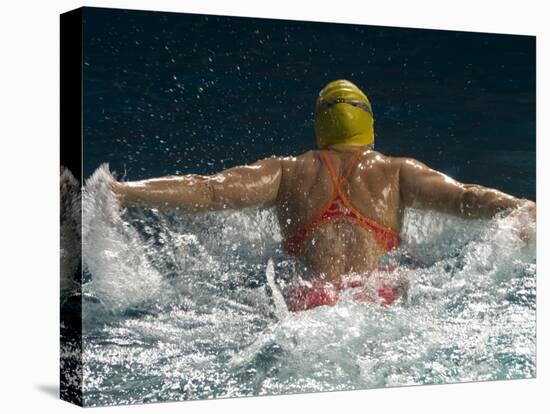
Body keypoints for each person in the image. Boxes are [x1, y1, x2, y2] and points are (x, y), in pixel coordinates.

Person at [112, 80, 536, 312]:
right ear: (367, 124)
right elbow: (466, 198)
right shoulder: (395, 171)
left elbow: (207, 191)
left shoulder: (285, 171)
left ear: (321, 125)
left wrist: (123, 192)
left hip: (303, 303)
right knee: (408, 278)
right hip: (374, 300)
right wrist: (520, 207)